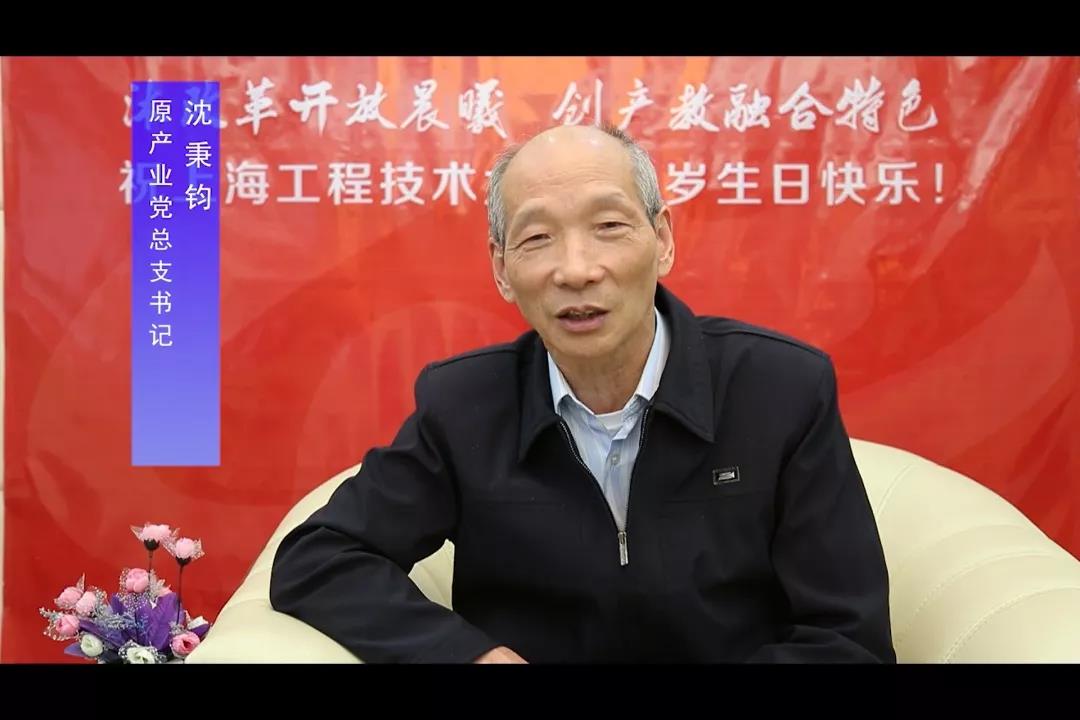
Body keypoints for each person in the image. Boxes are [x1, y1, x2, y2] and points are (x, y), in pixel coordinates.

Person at [269, 123, 895, 664]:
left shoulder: (780, 389)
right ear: (501, 268)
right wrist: (463, 653)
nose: (575, 269)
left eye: (608, 226)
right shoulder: (464, 406)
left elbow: (848, 636)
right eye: (537, 238)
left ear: (663, 239)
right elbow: (318, 558)